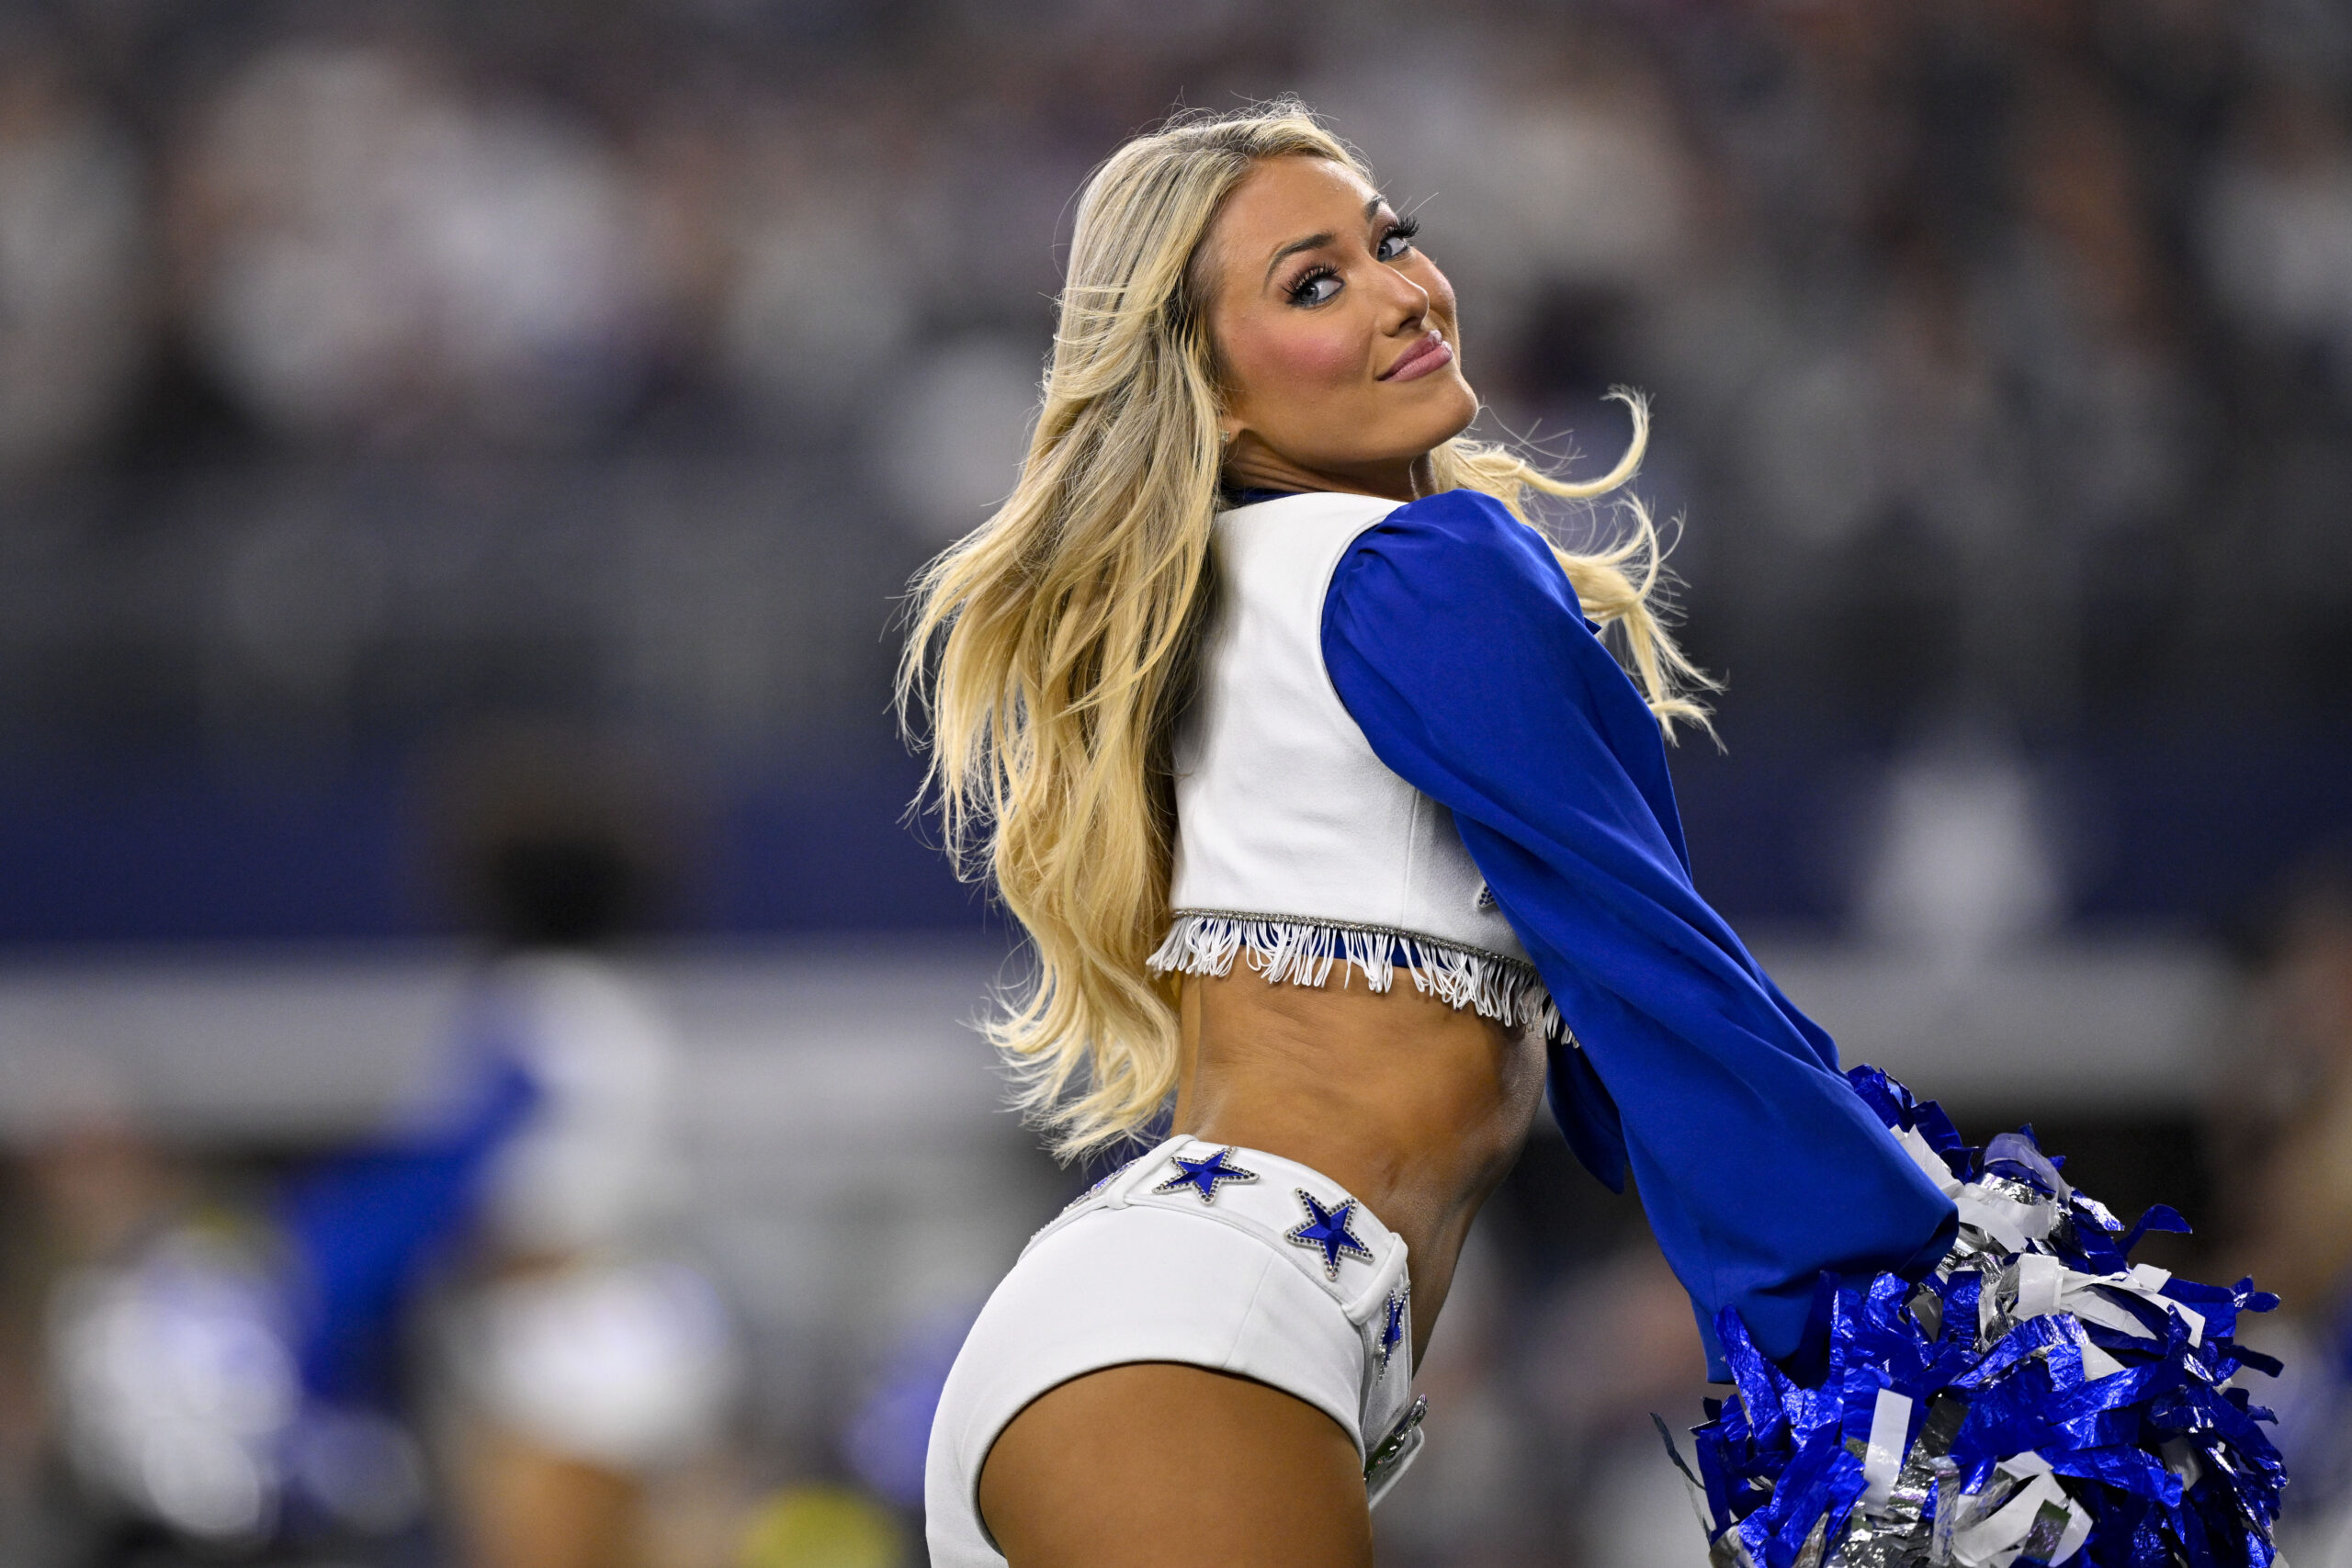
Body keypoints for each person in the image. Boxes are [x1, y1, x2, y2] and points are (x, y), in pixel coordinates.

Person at [901, 103, 1957, 1568]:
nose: (1405, 291)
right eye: (1314, 284)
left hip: (1142, 1331)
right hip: (1204, 1336)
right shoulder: (1419, 570)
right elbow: (1659, 986)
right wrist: (1925, 1313)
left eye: (1392, 241)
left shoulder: (1231, 589)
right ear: (1209, 393)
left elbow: (1618, 1055)